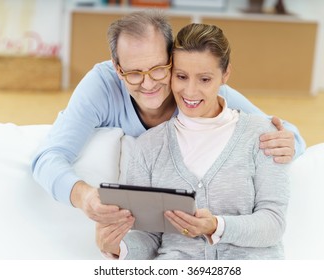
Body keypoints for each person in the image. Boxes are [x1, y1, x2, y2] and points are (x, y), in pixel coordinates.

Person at [31, 10, 303, 225]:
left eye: (159, 69)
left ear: (172, 58)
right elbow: (48, 157)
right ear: (117, 67)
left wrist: (290, 142)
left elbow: (287, 132)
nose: (148, 84)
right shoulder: (101, 85)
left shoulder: (196, 91)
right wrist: (85, 196)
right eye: (134, 73)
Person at [96, 22, 290, 260]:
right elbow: (148, 237)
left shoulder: (264, 135)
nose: (190, 91)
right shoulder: (148, 147)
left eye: (205, 79)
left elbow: (273, 223)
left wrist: (216, 226)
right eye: (181, 76)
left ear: (225, 74)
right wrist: (117, 246)